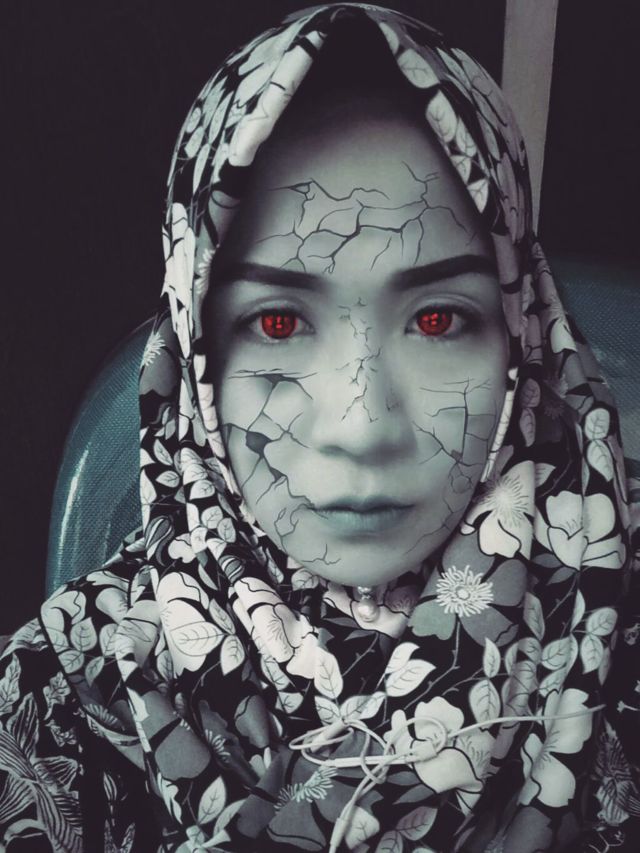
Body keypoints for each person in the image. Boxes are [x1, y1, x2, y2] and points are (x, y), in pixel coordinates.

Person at [1, 4, 639, 851]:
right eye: (277, 324)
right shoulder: (60, 694)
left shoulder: (619, 629)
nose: (363, 426)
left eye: (439, 319)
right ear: (193, 358)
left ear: (523, 334)